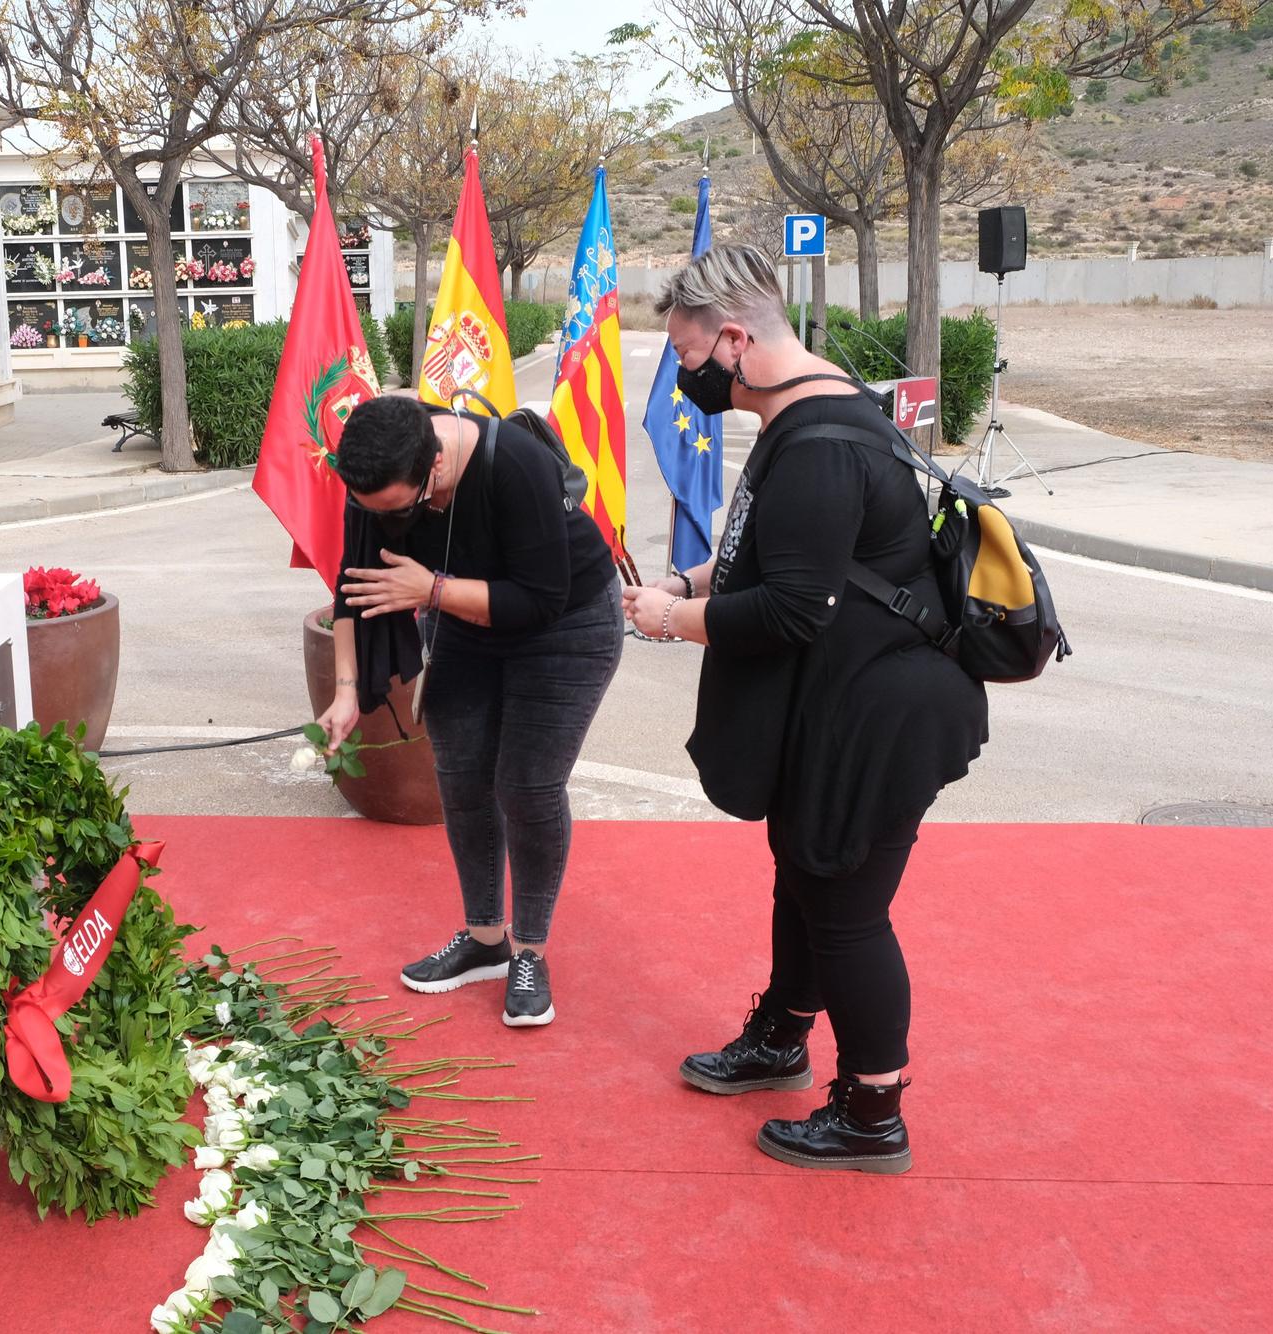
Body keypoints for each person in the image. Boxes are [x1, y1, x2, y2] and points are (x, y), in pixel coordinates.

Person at [621, 245, 988, 1174]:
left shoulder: (821, 444)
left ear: (736, 339)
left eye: (690, 356)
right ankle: (781, 1038)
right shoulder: (819, 408)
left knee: (849, 913)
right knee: (806, 879)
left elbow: (791, 609)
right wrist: (693, 577)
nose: (687, 377)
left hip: (879, 721)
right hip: (844, 705)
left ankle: (872, 1116)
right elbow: (787, 561)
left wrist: (672, 617)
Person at [317, 393, 622, 1028]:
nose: (388, 522)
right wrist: (346, 692)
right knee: (460, 781)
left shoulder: (514, 464)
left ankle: (530, 952)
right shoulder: (375, 475)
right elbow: (353, 584)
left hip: (565, 625)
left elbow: (539, 601)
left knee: (528, 785)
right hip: (466, 621)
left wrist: (429, 590)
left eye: (399, 509)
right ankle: (486, 940)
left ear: (432, 465)